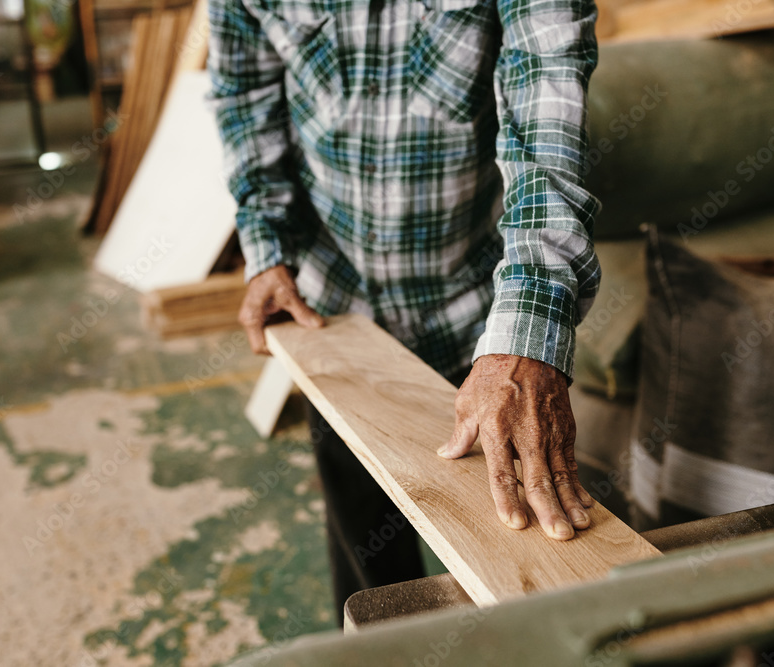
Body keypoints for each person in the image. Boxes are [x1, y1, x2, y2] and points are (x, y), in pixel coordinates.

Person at [208, 0, 601, 624]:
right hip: (333, 316)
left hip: (478, 317)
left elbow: (545, 112)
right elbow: (243, 95)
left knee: (513, 550)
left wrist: (528, 328)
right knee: (366, 556)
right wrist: (266, 242)